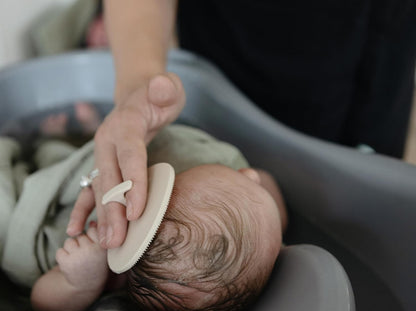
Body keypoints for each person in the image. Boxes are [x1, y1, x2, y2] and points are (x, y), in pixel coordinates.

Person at [67, 0, 416, 258]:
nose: (250, 176)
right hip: (240, 63)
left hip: (384, 41)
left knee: (369, 173)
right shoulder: (220, 151)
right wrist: (136, 88)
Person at [0, 105, 286, 311]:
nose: (248, 173)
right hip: (90, 170)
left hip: (61, 211)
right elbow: (266, 186)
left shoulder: (107, 273)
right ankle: (81, 134)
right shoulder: (265, 237)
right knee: (105, 157)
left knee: (50, 164)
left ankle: (53, 141)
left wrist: (80, 284)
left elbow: (43, 305)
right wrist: (265, 199)